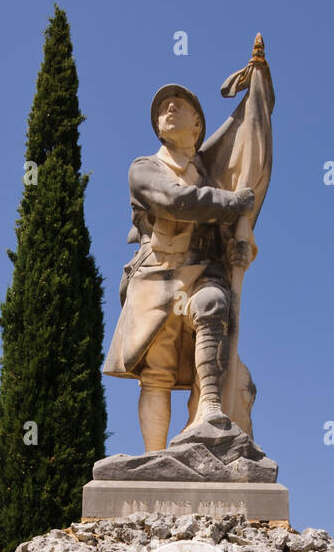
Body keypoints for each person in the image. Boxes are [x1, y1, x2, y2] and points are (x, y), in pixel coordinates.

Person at [103, 85, 256, 452]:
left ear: (198, 124)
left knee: (212, 306)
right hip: (156, 276)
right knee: (158, 370)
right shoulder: (144, 168)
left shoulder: (212, 178)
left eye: (180, 105)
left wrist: (238, 249)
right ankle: (154, 458)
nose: (169, 108)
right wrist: (233, 202)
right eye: (163, 108)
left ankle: (210, 411)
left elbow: (223, 238)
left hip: (203, 274)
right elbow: (176, 201)